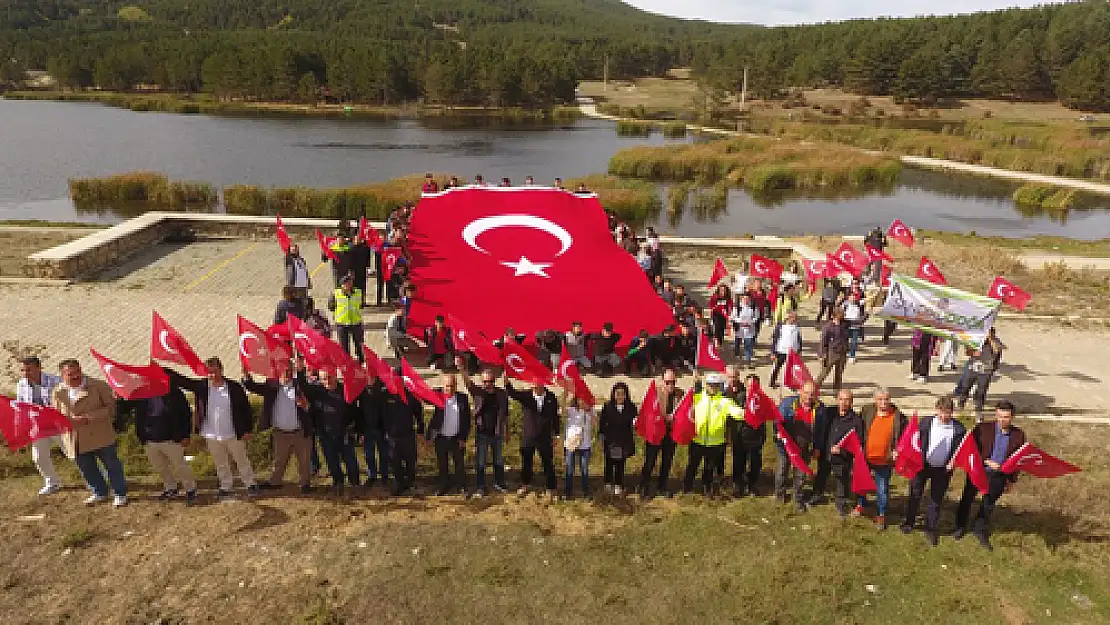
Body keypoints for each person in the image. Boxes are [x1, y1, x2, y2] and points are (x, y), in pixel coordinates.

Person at [168, 359, 257, 498]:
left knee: (241, 459)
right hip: (212, 433)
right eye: (209, 372)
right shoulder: (202, 386)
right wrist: (163, 370)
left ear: (221, 370)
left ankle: (250, 484)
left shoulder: (234, 387)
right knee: (220, 462)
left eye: (215, 371)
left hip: (233, 433)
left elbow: (246, 409)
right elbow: (183, 381)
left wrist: (247, 430)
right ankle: (226, 486)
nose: (213, 375)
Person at [52, 359, 127, 507]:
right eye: (70, 374)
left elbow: (111, 409)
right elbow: (57, 414)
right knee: (87, 468)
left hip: (100, 433)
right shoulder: (57, 392)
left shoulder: (98, 385)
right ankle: (99, 492)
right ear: (62, 375)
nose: (75, 376)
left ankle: (120, 494)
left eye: (77, 372)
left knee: (112, 465)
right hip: (76, 437)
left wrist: (89, 418)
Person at [953, 400, 1026, 550]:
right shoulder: (983, 429)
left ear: (1012, 417)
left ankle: (979, 529)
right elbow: (970, 448)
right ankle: (960, 526)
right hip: (979, 470)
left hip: (999, 476)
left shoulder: (1019, 435)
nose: (1002, 420)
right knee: (967, 498)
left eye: (1005, 417)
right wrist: (986, 460)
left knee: (988, 504)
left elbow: (1018, 459)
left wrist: (1011, 481)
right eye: (999, 416)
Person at [119, 368, 197, 503]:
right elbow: (125, 408)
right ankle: (171, 487)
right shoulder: (140, 393)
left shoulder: (174, 393)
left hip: (171, 437)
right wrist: (119, 397)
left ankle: (190, 489)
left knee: (180, 465)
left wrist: (185, 435)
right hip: (150, 438)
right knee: (159, 466)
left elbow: (186, 414)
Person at [900, 396, 967, 546]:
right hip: (922, 466)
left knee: (935, 500)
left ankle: (930, 528)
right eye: (941, 412)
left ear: (952, 413)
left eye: (948, 413)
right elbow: (915, 439)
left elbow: (961, 450)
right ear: (936, 410)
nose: (944, 416)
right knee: (915, 494)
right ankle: (909, 522)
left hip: (942, 470)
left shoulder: (959, 429)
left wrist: (954, 462)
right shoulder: (926, 422)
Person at [242, 362, 313, 494]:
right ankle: (275, 482)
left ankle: (305, 484)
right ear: (278, 372)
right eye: (284, 371)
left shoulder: (300, 386)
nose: (287, 374)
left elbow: (311, 403)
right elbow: (252, 387)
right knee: (279, 460)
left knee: (304, 461)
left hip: (300, 432)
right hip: (280, 433)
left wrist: (306, 406)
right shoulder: (271, 386)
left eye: (289, 371)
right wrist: (246, 375)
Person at [298, 367, 360, 494]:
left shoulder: (345, 390)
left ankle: (355, 483)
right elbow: (303, 387)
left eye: (329, 377)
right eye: (324, 379)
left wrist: (356, 429)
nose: (327, 381)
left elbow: (356, 412)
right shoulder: (318, 391)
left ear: (335, 376)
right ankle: (338, 482)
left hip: (344, 434)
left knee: (350, 460)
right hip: (326, 434)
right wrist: (300, 371)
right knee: (332, 461)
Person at [683, 372, 743, 495]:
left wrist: (750, 413)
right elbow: (684, 408)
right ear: (706, 385)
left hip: (715, 443)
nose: (713, 388)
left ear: (720, 386)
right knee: (692, 465)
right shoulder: (697, 398)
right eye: (710, 385)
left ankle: (707, 488)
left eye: (716, 385)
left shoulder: (725, 401)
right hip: (697, 440)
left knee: (709, 468)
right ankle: (687, 487)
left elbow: (737, 412)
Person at [857, 387, 907, 529]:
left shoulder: (899, 417)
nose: (884, 402)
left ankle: (881, 514)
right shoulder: (866, 411)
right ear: (875, 401)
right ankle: (861, 504)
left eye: (886, 399)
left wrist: (898, 450)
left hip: (884, 461)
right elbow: (859, 429)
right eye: (880, 399)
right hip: (866, 458)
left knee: (882, 489)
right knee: (861, 484)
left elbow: (905, 437)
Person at [15, 356, 64, 495]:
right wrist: (20, 427)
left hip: (58, 425)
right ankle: (52, 483)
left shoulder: (56, 381)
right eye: (22, 370)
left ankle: (99, 477)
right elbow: (21, 406)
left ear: (39, 368)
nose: (25, 373)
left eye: (29, 370)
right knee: (39, 457)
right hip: (37, 426)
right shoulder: (21, 384)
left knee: (74, 453)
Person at [812, 388, 864, 516]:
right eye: (841, 399)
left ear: (851, 402)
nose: (843, 402)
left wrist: (842, 450)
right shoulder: (829, 413)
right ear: (836, 400)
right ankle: (816, 495)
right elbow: (816, 411)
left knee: (842, 481)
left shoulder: (856, 420)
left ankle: (841, 503)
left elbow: (858, 443)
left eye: (847, 400)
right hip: (825, 454)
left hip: (842, 458)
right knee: (821, 476)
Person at [506, 375, 560, 496]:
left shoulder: (551, 397)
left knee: (548, 462)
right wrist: (507, 381)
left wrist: (556, 434)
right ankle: (526, 484)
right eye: (533, 380)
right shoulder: (526, 396)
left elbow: (555, 417)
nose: (535, 382)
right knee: (526, 462)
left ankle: (551, 487)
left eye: (537, 379)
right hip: (529, 435)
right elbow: (512, 393)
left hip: (545, 436)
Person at [462, 364, 510, 496]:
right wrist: (462, 369)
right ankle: (481, 486)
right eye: (485, 381)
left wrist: (507, 431)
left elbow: (505, 414)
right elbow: (468, 384)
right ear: (482, 381)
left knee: (498, 460)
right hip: (482, 432)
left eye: (490, 381)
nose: (488, 384)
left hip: (497, 432)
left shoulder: (501, 394)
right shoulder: (479, 392)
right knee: (481, 461)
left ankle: (499, 483)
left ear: (494, 381)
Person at [777, 381, 822, 510]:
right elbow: (777, 421)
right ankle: (780, 496)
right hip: (786, 447)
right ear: (800, 392)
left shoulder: (819, 409)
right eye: (806, 393)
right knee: (782, 471)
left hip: (804, 447)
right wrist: (778, 433)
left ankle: (798, 499)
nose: (809, 396)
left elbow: (820, 430)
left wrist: (817, 447)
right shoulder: (788, 404)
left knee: (800, 475)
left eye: (812, 394)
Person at [639, 368, 683, 498]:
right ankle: (643, 486)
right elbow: (648, 412)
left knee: (667, 461)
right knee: (650, 461)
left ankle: (662, 486)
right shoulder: (655, 393)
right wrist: (664, 417)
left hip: (670, 434)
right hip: (656, 433)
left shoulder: (680, 394)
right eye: (668, 382)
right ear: (662, 381)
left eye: (673, 382)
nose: (671, 385)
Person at [382, 371, 425, 496]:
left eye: (397, 381)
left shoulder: (410, 395)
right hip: (392, 437)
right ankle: (399, 484)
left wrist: (421, 430)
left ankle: (410, 483)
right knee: (395, 463)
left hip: (408, 435)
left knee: (410, 461)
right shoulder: (385, 395)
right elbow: (381, 414)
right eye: (393, 381)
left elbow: (419, 413)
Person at [428, 374, 470, 496]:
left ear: (456, 386)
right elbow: (423, 393)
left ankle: (461, 486)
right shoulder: (437, 395)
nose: (449, 389)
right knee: (442, 464)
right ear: (443, 386)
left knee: (459, 464)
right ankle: (443, 486)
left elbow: (466, 420)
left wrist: (463, 438)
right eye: (447, 386)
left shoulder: (463, 398)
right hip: (441, 437)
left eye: (452, 386)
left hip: (457, 438)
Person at [955, 327, 1005, 419]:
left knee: (981, 391)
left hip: (986, 370)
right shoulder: (977, 339)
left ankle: (978, 409)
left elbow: (997, 350)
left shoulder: (996, 342)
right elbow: (967, 351)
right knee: (966, 386)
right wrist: (973, 353)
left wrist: (991, 339)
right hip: (972, 368)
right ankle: (961, 403)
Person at [598, 382, 637, 495]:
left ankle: (618, 485)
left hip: (624, 441)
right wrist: (601, 438)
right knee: (609, 464)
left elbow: (635, 422)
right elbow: (602, 424)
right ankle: (608, 483)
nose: (620, 396)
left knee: (620, 464)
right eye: (617, 393)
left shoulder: (631, 407)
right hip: (611, 441)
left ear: (626, 395)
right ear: (613, 394)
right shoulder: (607, 407)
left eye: (622, 394)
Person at [731, 373, 766, 497]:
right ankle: (738, 485)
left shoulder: (762, 400)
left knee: (755, 463)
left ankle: (752, 485)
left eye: (755, 385)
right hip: (740, 436)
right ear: (745, 385)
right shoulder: (738, 398)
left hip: (755, 437)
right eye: (749, 385)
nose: (752, 388)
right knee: (738, 462)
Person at [358, 372, 390, 488]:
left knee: (384, 454)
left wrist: (386, 428)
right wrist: (360, 431)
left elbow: (386, 411)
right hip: (367, 429)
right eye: (366, 376)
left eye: (370, 376)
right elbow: (360, 412)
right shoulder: (362, 392)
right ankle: (372, 475)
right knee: (369, 454)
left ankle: (385, 475)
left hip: (381, 428)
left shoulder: (383, 390)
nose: (368, 378)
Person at [563, 393, 594, 499]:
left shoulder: (590, 411)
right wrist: (564, 396)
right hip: (571, 443)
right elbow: (562, 413)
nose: (582, 402)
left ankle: (585, 491)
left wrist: (588, 411)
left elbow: (595, 423)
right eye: (580, 399)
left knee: (584, 468)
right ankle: (568, 491)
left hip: (585, 444)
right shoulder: (571, 410)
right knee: (569, 467)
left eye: (584, 400)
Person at [329, 274, 365, 363]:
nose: (348, 285)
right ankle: (347, 363)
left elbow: (361, 305)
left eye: (349, 283)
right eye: (346, 283)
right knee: (344, 346)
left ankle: (361, 361)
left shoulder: (358, 292)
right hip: (342, 324)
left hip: (356, 322)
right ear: (341, 285)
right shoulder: (335, 294)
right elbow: (331, 306)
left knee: (359, 344)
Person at [815, 309, 850, 392]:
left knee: (839, 374)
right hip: (831, 353)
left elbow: (858, 322)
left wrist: (867, 313)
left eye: (842, 315)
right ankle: (814, 389)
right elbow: (823, 342)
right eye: (840, 315)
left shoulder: (845, 324)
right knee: (824, 373)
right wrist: (822, 355)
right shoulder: (828, 327)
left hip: (842, 353)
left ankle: (836, 391)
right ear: (834, 316)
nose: (842, 317)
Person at [769, 310, 801, 388]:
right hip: (781, 350)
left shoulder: (797, 328)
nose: (795, 319)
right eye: (794, 318)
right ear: (788, 318)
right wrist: (773, 352)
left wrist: (799, 350)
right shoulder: (780, 327)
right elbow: (775, 340)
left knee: (791, 368)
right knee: (777, 367)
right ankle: (772, 382)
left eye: (795, 318)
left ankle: (789, 382)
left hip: (792, 351)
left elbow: (799, 339)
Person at [731, 293, 758, 365]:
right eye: (744, 299)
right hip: (740, 329)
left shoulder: (753, 307)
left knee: (748, 345)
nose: (746, 300)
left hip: (749, 329)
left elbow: (756, 317)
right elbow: (733, 317)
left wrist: (750, 322)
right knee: (738, 343)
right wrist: (741, 322)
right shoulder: (737, 307)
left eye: (747, 299)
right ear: (742, 299)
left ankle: (748, 359)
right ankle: (737, 354)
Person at [842, 291, 866, 364]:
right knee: (844, 341)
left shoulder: (858, 304)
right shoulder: (844, 305)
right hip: (846, 325)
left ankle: (852, 356)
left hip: (856, 326)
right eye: (851, 296)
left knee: (854, 342)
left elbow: (868, 299)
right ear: (848, 297)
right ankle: (844, 354)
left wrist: (878, 291)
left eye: (854, 296)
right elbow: (840, 313)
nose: (852, 298)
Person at [709, 283, 732, 348]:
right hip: (716, 314)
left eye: (724, 290)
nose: (723, 292)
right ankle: (716, 340)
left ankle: (720, 342)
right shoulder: (715, 297)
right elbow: (711, 305)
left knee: (722, 329)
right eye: (721, 290)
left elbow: (730, 306)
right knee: (717, 326)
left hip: (724, 316)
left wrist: (729, 313)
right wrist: (716, 306)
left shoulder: (728, 298)